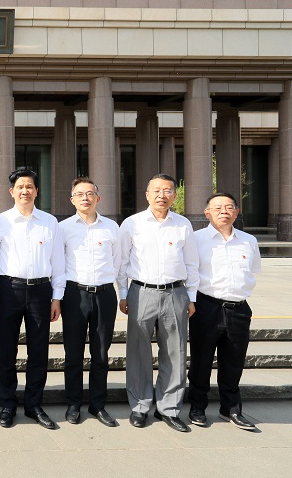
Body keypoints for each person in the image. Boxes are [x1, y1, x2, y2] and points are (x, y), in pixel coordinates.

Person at [117, 173, 198, 433]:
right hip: (141, 292)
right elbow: (122, 263)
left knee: (175, 351)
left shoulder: (183, 224)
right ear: (147, 194)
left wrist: (192, 297)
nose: (162, 195)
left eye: (167, 191)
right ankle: (140, 405)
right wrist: (122, 294)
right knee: (138, 351)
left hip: (176, 293)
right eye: (157, 190)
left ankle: (169, 408)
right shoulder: (132, 223)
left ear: (175, 195)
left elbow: (192, 263)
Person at [0, 168, 64, 430]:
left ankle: (33, 404)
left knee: (39, 350)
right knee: (7, 349)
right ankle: (7, 404)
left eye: (29, 186)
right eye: (20, 187)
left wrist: (57, 297)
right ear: (11, 192)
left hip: (41, 291)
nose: (25, 191)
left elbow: (58, 263)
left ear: (36, 191)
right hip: (9, 289)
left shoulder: (50, 222)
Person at [188, 193, 261, 430]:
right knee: (201, 361)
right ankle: (197, 407)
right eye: (218, 208)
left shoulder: (248, 240)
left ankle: (231, 409)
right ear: (207, 213)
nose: (224, 212)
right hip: (206, 307)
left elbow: (252, 270)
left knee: (234, 362)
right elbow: (189, 272)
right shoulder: (196, 239)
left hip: (239, 308)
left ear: (237, 212)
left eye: (229, 207)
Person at [58, 177, 120, 427]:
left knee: (101, 354)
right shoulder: (62, 228)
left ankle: (98, 405)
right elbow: (58, 265)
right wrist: (57, 297)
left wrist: (122, 293)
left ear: (98, 198)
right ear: (72, 199)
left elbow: (118, 262)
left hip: (105, 295)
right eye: (80, 194)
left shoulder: (112, 227)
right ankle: (73, 403)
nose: (85, 198)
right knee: (73, 353)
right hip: (74, 295)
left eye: (90, 193)